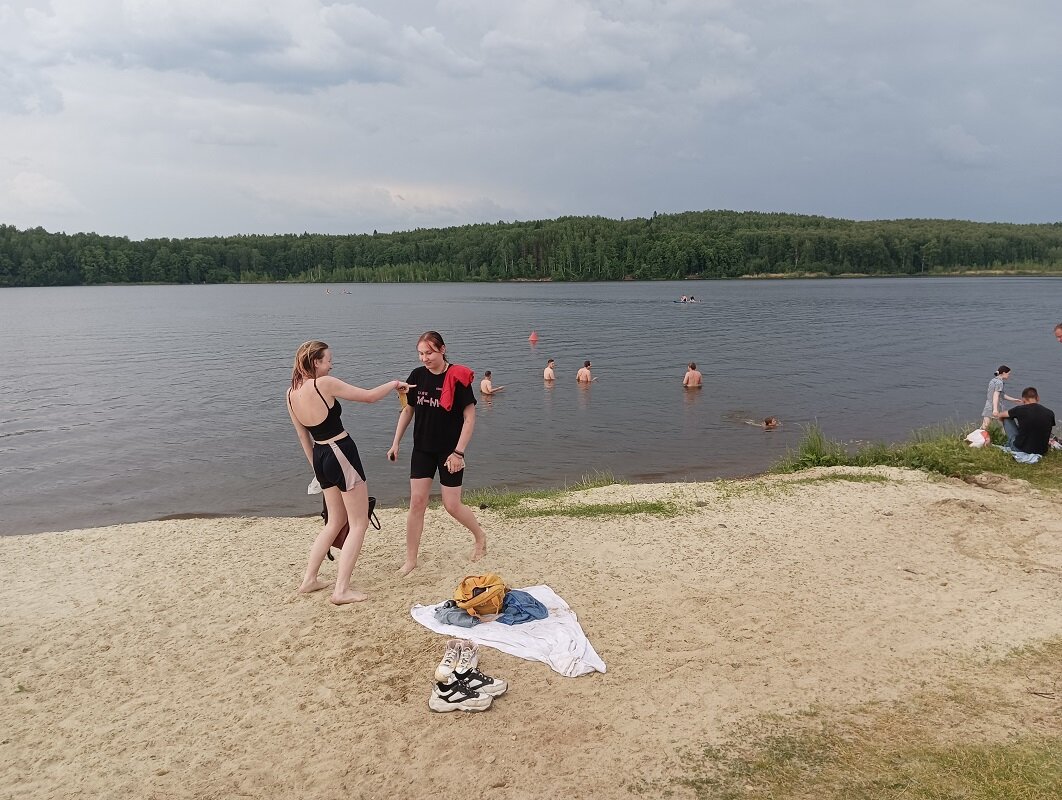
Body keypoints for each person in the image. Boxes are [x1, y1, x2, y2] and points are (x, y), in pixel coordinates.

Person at [287, 340, 412, 604]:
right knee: (358, 522)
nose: (331, 364)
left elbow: (302, 437)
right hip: (340, 451)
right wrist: (393, 384)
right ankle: (341, 590)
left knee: (334, 521)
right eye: (328, 360)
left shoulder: (291, 393)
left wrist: (318, 472)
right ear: (316, 362)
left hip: (320, 456)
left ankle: (309, 579)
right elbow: (368, 397)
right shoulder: (324, 384)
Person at [388, 331, 487, 576]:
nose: (424, 358)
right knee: (417, 503)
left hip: (449, 451)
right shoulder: (417, 376)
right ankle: (411, 559)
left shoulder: (458, 377)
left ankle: (480, 536)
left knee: (451, 505)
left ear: (442, 349)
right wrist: (396, 442)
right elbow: (408, 410)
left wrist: (459, 452)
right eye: (421, 353)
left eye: (429, 353)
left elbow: (469, 417)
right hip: (422, 448)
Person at [994, 387, 1056, 457]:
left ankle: (1009, 443)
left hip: (1021, 449)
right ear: (1038, 398)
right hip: (1042, 451)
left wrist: (1001, 423)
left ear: (1023, 400)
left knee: (1006, 418)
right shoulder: (1050, 413)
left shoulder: (1020, 409)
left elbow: (1000, 415)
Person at [981, 365, 1020, 431]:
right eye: (1008, 373)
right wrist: (995, 409)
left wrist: (1014, 400)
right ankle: (1006, 440)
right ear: (1004, 373)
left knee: (984, 426)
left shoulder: (993, 380)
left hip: (988, 406)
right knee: (1003, 427)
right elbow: (996, 395)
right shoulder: (999, 383)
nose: (1009, 375)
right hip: (995, 407)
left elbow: (1001, 395)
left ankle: (976, 439)